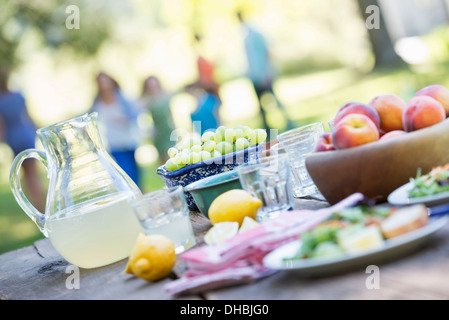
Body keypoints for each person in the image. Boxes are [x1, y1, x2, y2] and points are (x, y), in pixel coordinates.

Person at [237, 11, 294, 132]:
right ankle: (267, 130)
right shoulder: (244, 36)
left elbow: (267, 53)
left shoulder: (256, 33)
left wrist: (267, 73)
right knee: (261, 108)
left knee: (276, 102)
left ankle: (289, 123)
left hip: (264, 75)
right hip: (254, 77)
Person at [0, 69, 45, 212]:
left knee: (26, 174)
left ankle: (37, 205)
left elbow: (2, 126)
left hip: (14, 137)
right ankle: (42, 202)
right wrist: (37, 131)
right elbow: (28, 116)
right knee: (34, 172)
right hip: (26, 133)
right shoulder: (18, 96)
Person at [90, 72, 141, 188]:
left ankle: (141, 195)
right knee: (126, 174)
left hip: (129, 141)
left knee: (135, 174)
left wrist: (123, 120)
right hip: (114, 143)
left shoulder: (121, 98)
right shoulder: (97, 102)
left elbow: (134, 114)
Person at [140, 76, 176, 164]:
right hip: (158, 134)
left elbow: (170, 115)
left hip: (168, 131)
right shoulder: (146, 101)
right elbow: (144, 118)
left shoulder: (166, 96)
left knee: (170, 156)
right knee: (163, 160)